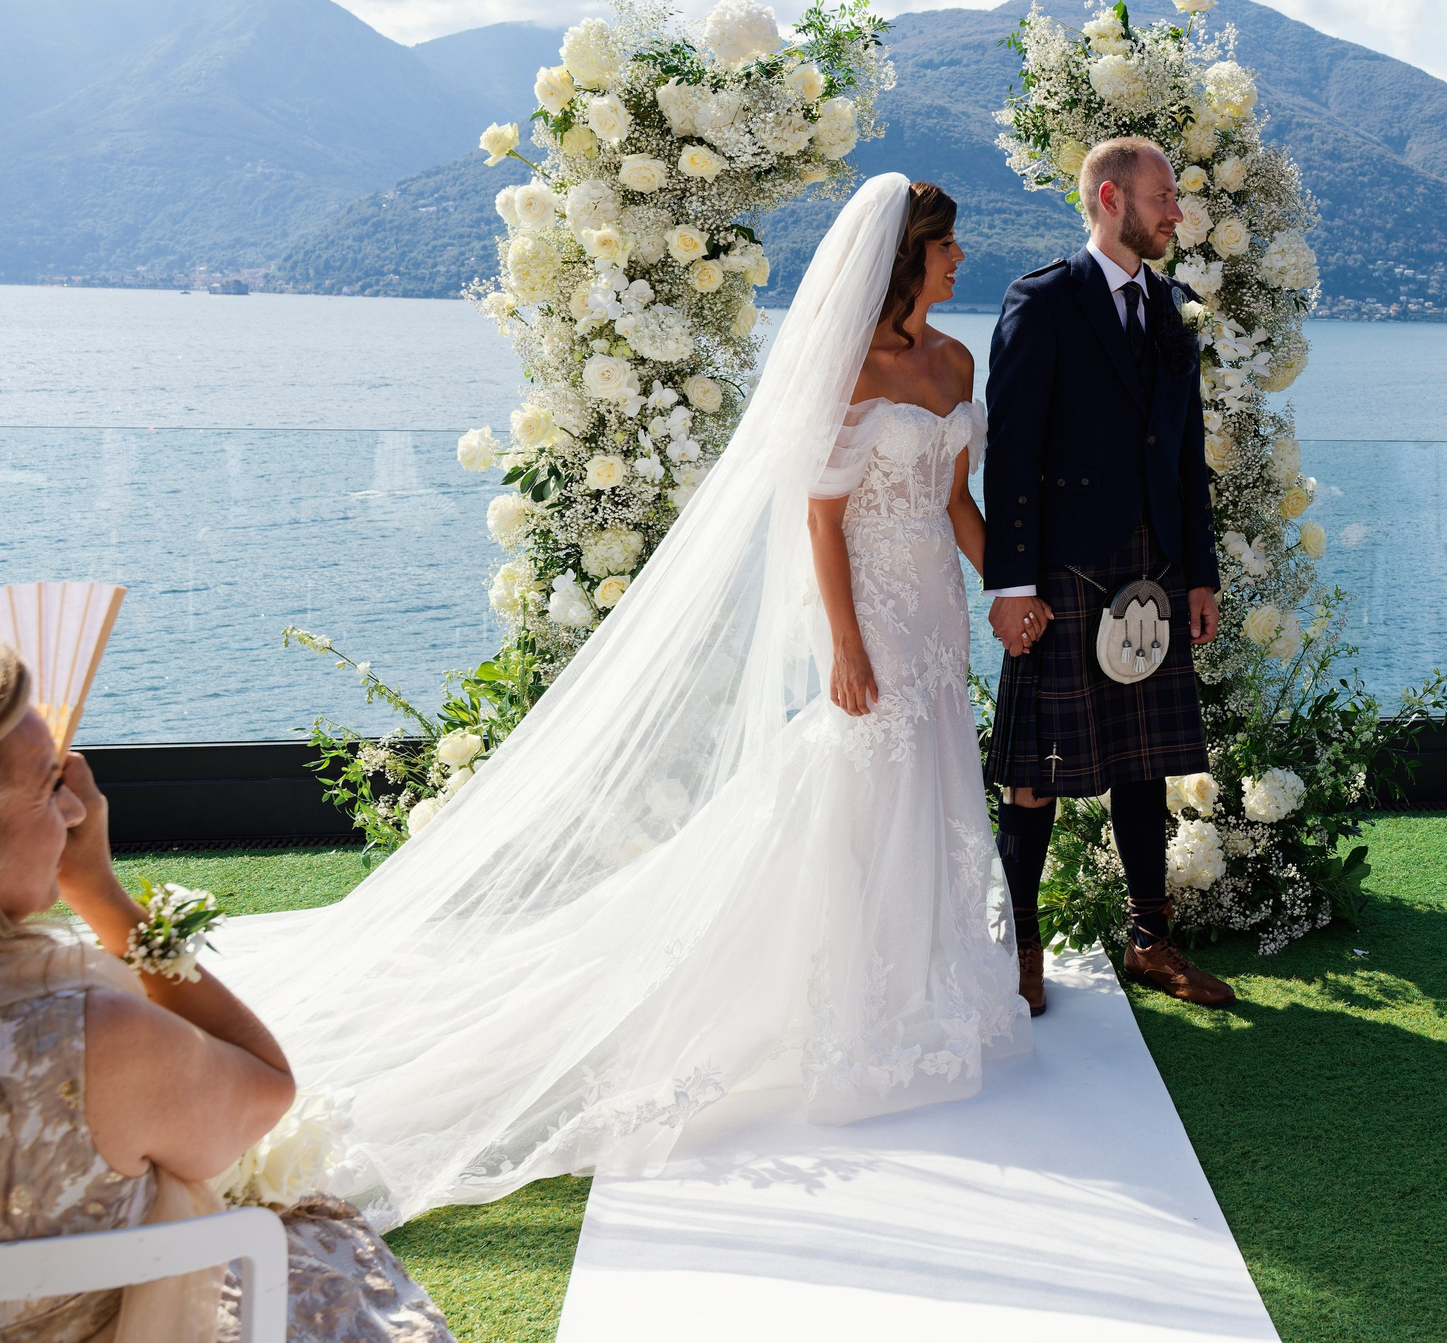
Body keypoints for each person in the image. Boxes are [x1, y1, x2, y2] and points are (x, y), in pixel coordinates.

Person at [216, 174, 1029, 1228]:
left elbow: (956, 500)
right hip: (869, 615)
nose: (961, 259)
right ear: (908, 257)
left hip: (936, 614)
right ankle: (862, 1008)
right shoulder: (846, 371)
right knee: (861, 796)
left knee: (932, 783)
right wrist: (844, 643)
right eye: (949, 246)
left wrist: (1008, 592)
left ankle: (939, 989)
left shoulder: (955, 361)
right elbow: (822, 523)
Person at [0, 646, 452, 1341]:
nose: (71, 808)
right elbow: (266, 1089)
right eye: (44, 784)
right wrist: (99, 889)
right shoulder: (82, 1037)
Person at [983, 136, 1234, 1010]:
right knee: (1034, 771)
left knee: (1144, 762)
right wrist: (1011, 584)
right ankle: (1021, 950)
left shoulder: (1169, 306)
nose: (1177, 212)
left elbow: (1185, 457)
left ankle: (1150, 943)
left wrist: (1197, 573)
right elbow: (1010, 453)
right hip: (1062, 574)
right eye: (1164, 196)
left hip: (1155, 570)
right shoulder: (1043, 302)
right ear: (1110, 200)